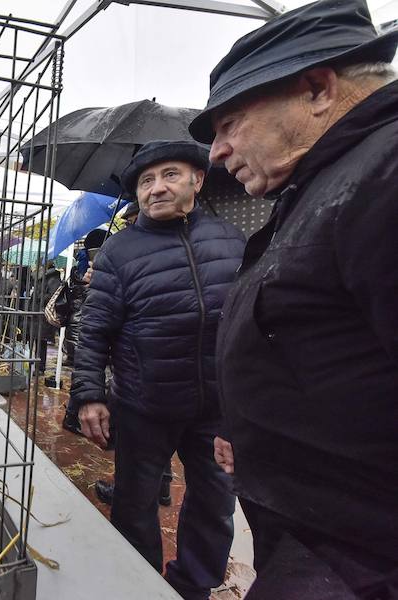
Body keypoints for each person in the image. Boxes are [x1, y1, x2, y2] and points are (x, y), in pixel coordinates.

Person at [189, 0, 398, 596]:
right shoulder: (331, 179)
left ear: (316, 89)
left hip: (361, 563)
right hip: (322, 543)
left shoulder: (386, 174)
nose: (217, 153)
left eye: (229, 124)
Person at [70, 140, 246, 599]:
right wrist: (89, 395)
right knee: (134, 503)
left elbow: (252, 323)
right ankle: (141, 587)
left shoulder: (232, 242)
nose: (157, 188)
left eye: (170, 175)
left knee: (215, 504)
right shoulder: (120, 252)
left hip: (216, 409)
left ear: (197, 180)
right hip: (143, 406)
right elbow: (93, 331)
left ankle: (192, 587)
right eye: (147, 181)